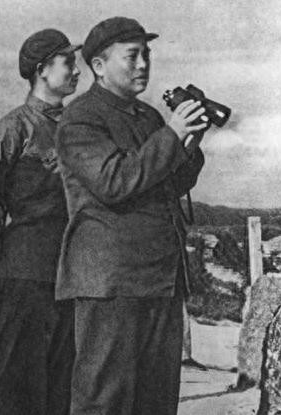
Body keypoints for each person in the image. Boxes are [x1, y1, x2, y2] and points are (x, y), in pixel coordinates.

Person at [54, 16, 210, 415]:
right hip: (112, 283)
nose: (143, 65)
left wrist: (190, 142)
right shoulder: (81, 118)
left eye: (147, 55)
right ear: (99, 65)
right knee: (104, 401)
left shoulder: (150, 118)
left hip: (159, 279)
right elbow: (114, 181)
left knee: (155, 401)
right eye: (132, 56)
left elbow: (170, 184)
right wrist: (172, 136)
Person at [0, 29, 81, 415]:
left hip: (73, 278)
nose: (77, 70)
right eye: (68, 62)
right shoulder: (13, 128)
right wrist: (5, 251)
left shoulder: (79, 128)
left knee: (63, 390)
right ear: (42, 70)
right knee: (17, 390)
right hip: (25, 278)